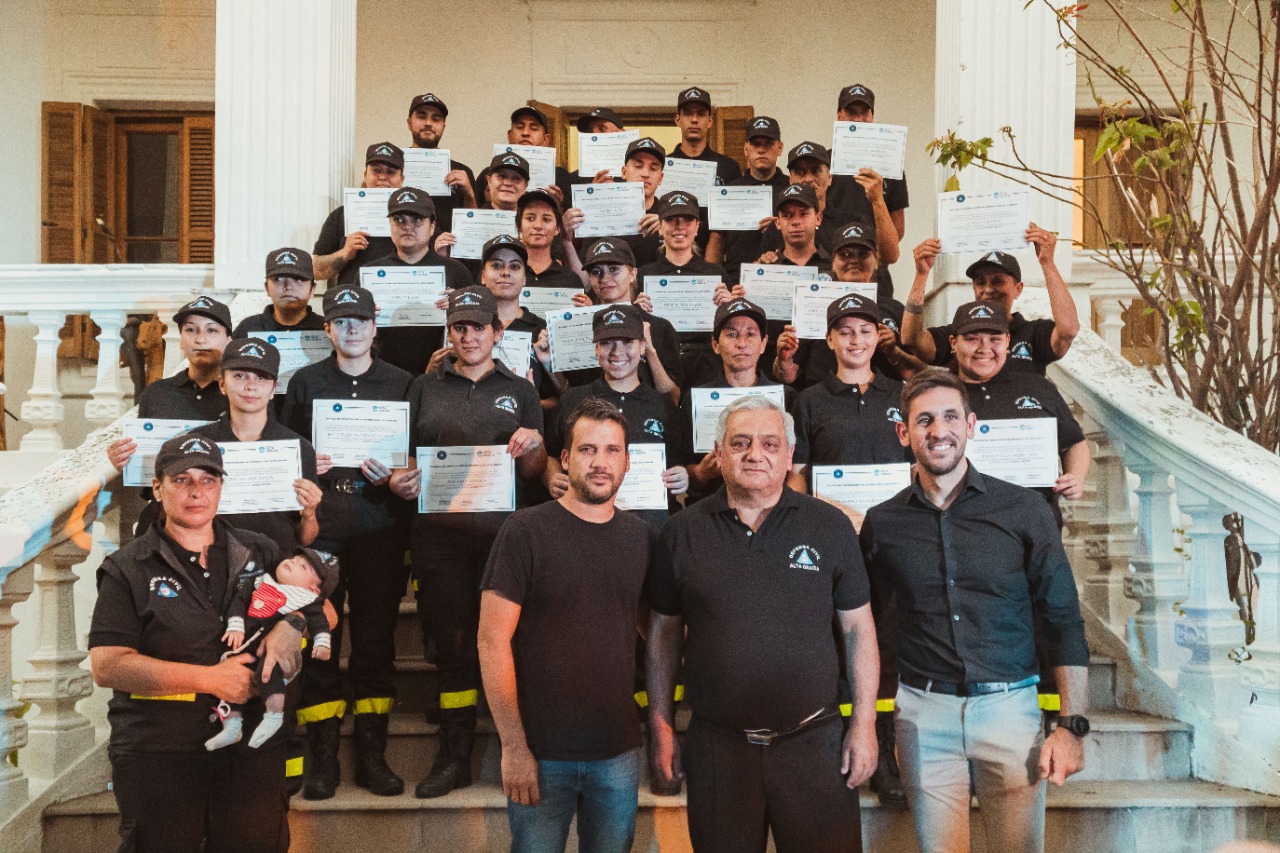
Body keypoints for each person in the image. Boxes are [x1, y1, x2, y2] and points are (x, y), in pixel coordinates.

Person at [860, 368, 1090, 853]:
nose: (938, 431)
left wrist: (1072, 726)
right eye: (924, 420)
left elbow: (1063, 618)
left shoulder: (1024, 510)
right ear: (904, 433)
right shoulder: (883, 523)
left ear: (970, 425)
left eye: (950, 417)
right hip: (923, 714)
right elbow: (867, 626)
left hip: (1011, 711)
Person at [647, 394, 879, 853]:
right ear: (718, 453)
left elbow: (858, 630)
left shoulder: (830, 526)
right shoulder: (681, 532)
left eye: (771, 444)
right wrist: (661, 726)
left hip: (814, 744)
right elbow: (663, 635)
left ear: (789, 455)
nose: (756, 454)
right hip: (719, 750)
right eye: (741, 443)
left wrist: (865, 724)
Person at [89, 433, 309, 853]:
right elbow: (108, 665)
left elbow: (323, 608)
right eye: (182, 480)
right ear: (157, 488)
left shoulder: (259, 550)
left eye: (208, 480)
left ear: (221, 487)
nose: (196, 492)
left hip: (251, 750)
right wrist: (211, 679)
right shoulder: (129, 567)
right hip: (161, 749)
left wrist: (292, 623)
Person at [479, 398, 658, 853]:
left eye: (612, 450)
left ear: (628, 461)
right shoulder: (525, 531)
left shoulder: (641, 538)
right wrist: (513, 746)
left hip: (617, 751)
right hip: (540, 751)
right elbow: (491, 640)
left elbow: (654, 631)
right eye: (587, 449)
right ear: (565, 458)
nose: (600, 462)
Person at [389, 285, 546, 799]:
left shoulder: (520, 390)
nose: (469, 336)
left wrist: (532, 446)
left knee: (512, 644)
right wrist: (400, 480)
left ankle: (518, 748)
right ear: (449, 333)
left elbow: (535, 471)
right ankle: (453, 755)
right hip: (439, 540)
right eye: (459, 327)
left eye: (479, 327)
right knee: (453, 646)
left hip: (505, 540)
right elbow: (404, 457)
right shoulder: (423, 387)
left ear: (497, 333)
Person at [279, 285, 415, 800]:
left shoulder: (403, 383)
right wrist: (305, 465)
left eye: (360, 320)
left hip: (382, 529)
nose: (352, 329)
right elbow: (285, 452)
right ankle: (323, 758)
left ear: (375, 327)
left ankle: (372, 756)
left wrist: (399, 476)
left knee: (376, 642)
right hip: (322, 533)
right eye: (341, 321)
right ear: (327, 329)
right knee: (320, 642)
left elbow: (414, 457)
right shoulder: (306, 383)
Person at [787, 292, 914, 807]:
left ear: (877, 337)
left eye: (865, 330)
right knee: (837, 644)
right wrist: (832, 516)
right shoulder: (810, 400)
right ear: (830, 339)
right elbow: (796, 479)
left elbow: (918, 469)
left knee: (889, 643)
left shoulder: (902, 394)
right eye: (845, 331)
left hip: (894, 542)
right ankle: (837, 744)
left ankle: (884, 753)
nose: (856, 340)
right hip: (835, 542)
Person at [545, 304, 689, 530]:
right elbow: (550, 454)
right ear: (595, 348)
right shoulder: (573, 399)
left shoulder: (662, 405)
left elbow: (680, 464)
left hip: (650, 528)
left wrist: (683, 475)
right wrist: (551, 475)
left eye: (627, 342)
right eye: (607, 342)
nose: (617, 351)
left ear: (643, 346)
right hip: (583, 524)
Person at [948, 300, 1090, 514]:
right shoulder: (939, 395)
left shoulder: (1038, 386)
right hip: (965, 523)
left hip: (1037, 524)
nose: (984, 348)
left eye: (995, 339)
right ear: (953, 343)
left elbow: (1074, 443)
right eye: (972, 339)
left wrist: (1075, 477)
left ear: (1007, 341)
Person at [186, 339, 322, 552]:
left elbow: (305, 539)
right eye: (240, 376)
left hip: (277, 564)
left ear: (273, 389)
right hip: (213, 560)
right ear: (222, 384)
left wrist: (310, 513)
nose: (250, 386)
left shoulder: (298, 448)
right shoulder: (198, 443)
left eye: (261, 377)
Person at [207, 548, 339, 752]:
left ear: (313, 589)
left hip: (268, 653)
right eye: (294, 558)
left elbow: (320, 622)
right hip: (240, 645)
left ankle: (273, 716)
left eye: (303, 566)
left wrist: (322, 643)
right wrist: (235, 624)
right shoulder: (261, 580)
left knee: (268, 674)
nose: (292, 562)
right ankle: (232, 726)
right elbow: (239, 601)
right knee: (231, 685)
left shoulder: (306, 600)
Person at [900, 226, 1079, 375]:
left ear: (1018, 289)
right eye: (980, 282)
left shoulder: (1033, 333)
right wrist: (922, 274)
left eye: (998, 281)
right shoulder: (960, 333)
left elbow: (1068, 331)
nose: (988, 289)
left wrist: (1048, 263)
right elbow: (911, 339)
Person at [773, 222, 922, 389]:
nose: (853, 260)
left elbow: (917, 374)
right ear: (832, 263)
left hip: (882, 400)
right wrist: (783, 359)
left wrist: (894, 352)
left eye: (863, 254)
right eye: (844, 255)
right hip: (823, 399)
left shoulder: (895, 309)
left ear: (876, 262)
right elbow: (788, 375)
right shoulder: (811, 305)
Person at [106, 294, 232, 490]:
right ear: (181, 340)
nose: (200, 339)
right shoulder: (156, 393)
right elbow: (145, 471)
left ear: (229, 340)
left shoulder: (243, 394)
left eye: (212, 330)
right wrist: (124, 461)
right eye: (190, 330)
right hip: (166, 505)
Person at [679, 298, 792, 501]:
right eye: (731, 334)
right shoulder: (695, 399)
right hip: (712, 507)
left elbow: (795, 468)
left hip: (772, 508)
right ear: (715, 344)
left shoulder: (787, 398)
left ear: (763, 344)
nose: (741, 343)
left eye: (750, 334)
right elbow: (686, 472)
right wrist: (702, 472)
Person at [363, 186, 473, 375]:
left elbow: (475, 327)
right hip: (383, 374)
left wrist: (460, 307)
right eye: (399, 220)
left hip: (443, 376)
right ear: (390, 225)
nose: (407, 226)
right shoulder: (369, 273)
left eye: (417, 220)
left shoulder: (457, 271)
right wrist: (364, 315)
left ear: (432, 227)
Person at [566, 239, 683, 403]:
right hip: (594, 415)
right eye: (596, 272)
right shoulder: (581, 327)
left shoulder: (660, 328)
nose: (605, 278)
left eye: (614, 269)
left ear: (633, 274)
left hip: (645, 414)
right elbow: (568, 390)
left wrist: (650, 350)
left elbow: (673, 398)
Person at [637, 190, 727, 386]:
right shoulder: (643, 275)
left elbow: (727, 329)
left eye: (687, 220)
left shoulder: (715, 274)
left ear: (697, 227)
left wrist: (728, 308)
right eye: (671, 220)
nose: (680, 226)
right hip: (658, 362)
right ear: (660, 227)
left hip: (706, 366)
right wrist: (638, 312)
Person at [472, 234, 561, 410]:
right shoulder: (466, 326)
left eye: (514, 266)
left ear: (524, 278)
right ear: (483, 276)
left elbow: (560, 400)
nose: (506, 272)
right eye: (496, 265)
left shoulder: (543, 330)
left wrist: (527, 401)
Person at [704, 115, 789, 282]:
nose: (761, 150)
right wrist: (710, 283)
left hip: (781, 279)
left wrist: (780, 227)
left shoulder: (791, 189)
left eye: (768, 144)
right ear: (745, 149)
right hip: (736, 281)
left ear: (780, 148)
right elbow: (716, 242)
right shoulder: (728, 192)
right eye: (756, 144)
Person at [564, 137, 667, 270]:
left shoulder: (668, 217)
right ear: (624, 172)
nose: (645, 174)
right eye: (638, 166)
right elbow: (585, 269)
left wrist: (668, 230)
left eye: (653, 168)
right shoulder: (600, 213)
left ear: (661, 178)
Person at [313, 142, 404, 287]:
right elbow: (316, 271)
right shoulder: (340, 215)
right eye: (376, 170)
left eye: (390, 172)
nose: (382, 177)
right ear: (365, 175)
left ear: (401, 179)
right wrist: (345, 253)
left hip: (399, 296)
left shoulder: (415, 219)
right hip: (353, 299)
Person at [474, 105, 572, 208]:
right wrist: (490, 203)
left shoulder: (561, 176)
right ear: (510, 136)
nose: (525, 133)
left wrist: (558, 206)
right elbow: (472, 212)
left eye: (534, 128)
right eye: (520, 127)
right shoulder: (489, 174)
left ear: (546, 140)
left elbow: (570, 215)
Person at [405, 92, 477, 233]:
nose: (428, 123)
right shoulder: (393, 167)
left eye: (436, 119)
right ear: (409, 123)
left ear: (443, 126)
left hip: (448, 247)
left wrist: (469, 194)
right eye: (421, 116)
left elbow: (472, 226)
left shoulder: (462, 172)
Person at [232, 248, 325, 337]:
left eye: (298, 279)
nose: (288, 287)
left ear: (312, 289)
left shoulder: (325, 329)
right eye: (278, 279)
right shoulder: (248, 328)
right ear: (267, 288)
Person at [668, 86, 742, 185]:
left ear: (710, 121)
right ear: (678, 120)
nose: (694, 120)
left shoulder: (729, 167)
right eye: (688, 114)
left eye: (701, 114)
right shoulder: (663, 166)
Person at [518, 189, 580, 290]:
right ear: (519, 226)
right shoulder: (506, 276)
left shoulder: (571, 281)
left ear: (558, 228)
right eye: (530, 218)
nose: (538, 226)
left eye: (546, 219)